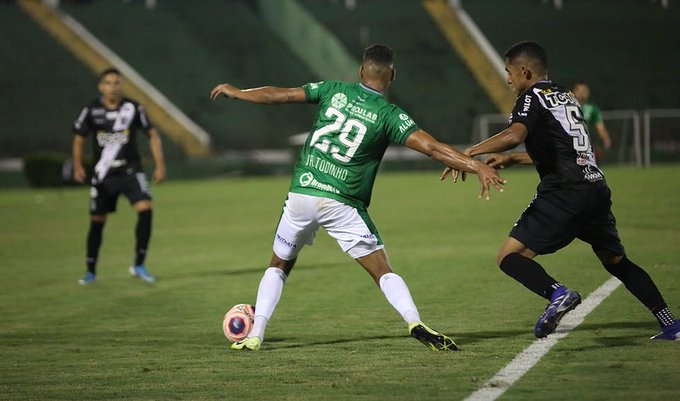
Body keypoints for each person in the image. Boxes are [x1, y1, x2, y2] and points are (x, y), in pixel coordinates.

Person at [210, 43, 506, 351]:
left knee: (278, 266)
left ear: (361, 71)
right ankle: (414, 322)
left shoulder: (332, 90)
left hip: (302, 193)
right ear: (392, 75)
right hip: (341, 202)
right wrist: (475, 165)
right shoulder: (389, 115)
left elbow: (279, 95)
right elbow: (432, 148)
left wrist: (238, 92)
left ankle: (256, 335)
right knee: (382, 271)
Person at [442, 41, 679, 341]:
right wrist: (514, 159)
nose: (508, 80)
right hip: (594, 189)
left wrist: (470, 152)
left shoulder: (531, 97)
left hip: (564, 193)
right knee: (617, 262)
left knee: (509, 257)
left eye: (509, 72)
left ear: (525, 71)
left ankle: (557, 293)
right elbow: (568, 150)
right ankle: (670, 323)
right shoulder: (565, 95)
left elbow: (515, 134)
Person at [72, 67, 166, 285]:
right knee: (97, 221)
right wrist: (77, 165)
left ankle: (139, 264)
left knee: (145, 209)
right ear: (100, 87)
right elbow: (79, 137)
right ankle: (90, 270)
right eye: (108, 83)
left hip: (130, 171)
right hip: (104, 175)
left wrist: (160, 165)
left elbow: (152, 135)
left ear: (122, 85)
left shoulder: (132, 108)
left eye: (116, 83)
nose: (112, 87)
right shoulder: (91, 109)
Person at [571, 81, 611, 163]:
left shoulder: (592, 108)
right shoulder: (569, 105)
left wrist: (605, 138)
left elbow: (600, 128)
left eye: (583, 90)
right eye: (579, 90)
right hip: (578, 144)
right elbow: (600, 128)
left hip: (578, 143)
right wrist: (606, 139)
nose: (582, 93)